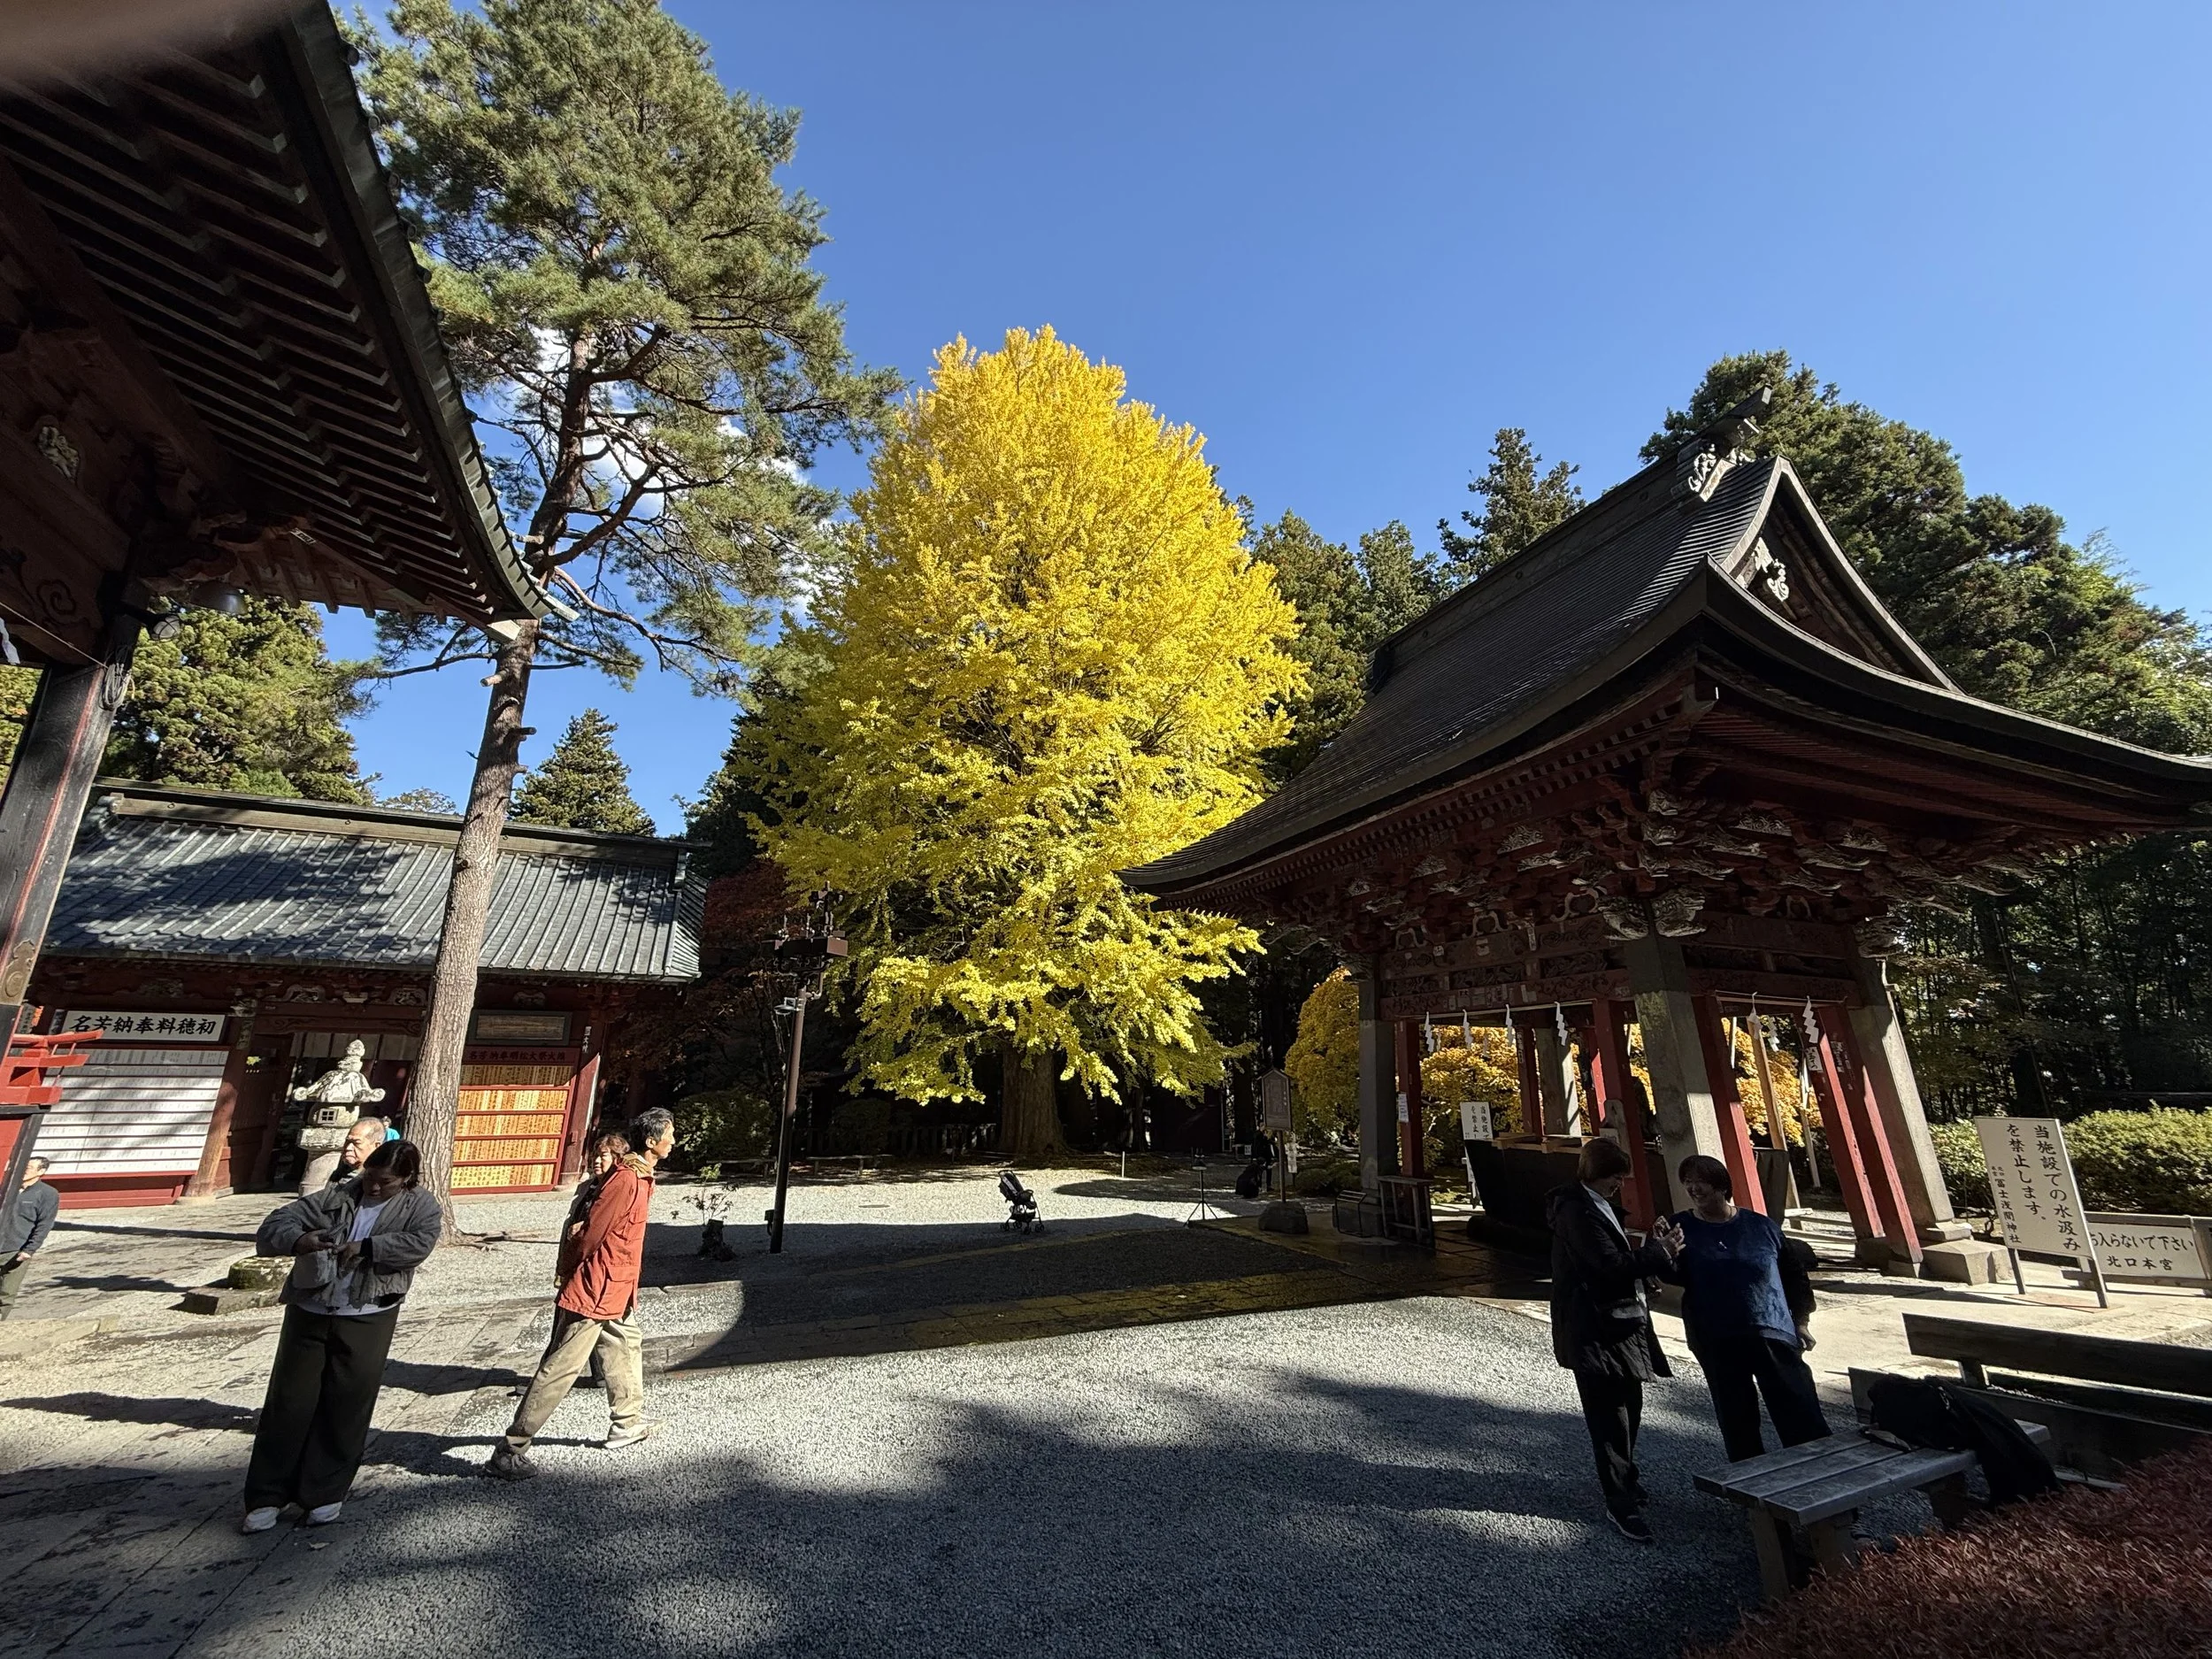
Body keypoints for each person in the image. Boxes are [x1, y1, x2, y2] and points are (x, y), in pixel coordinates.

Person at [242, 1140, 441, 1532]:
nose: (375, 1187)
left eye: (386, 1182)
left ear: (406, 1179)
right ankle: (266, 1495)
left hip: (368, 1310)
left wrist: (368, 1247)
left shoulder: (422, 1206)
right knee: (288, 1403)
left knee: (347, 1406)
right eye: (371, 1177)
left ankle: (325, 1493)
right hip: (311, 1306)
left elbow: (419, 1243)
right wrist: (301, 1241)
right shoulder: (338, 1194)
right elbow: (277, 1222)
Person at [488, 1109, 674, 1480]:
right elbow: (591, 1233)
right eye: (670, 1134)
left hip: (617, 1286)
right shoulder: (626, 1179)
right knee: (562, 1367)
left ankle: (627, 1421)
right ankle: (511, 1447)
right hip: (597, 1286)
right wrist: (571, 1272)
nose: (674, 1140)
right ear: (652, 1142)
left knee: (625, 1344)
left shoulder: (640, 1176)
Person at [1655, 1154, 1830, 1463]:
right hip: (1716, 1335)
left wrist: (1801, 1321)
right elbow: (1671, 1276)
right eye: (1688, 1182)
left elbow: (1794, 1276)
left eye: (1701, 1181)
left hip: (1771, 1330)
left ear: (1722, 1185)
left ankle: (1824, 1481)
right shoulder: (1678, 1226)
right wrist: (1660, 1251)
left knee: (1800, 1411)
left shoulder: (1760, 1227)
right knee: (1738, 1420)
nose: (1694, 1188)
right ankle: (1755, 1496)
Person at [1548, 1137, 1679, 1543]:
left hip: (1618, 1324)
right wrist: (1659, 1253)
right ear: (1595, 1175)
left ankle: (1627, 1481)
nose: (1618, 1184)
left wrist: (1645, 1271)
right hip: (1595, 1330)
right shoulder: (1578, 1212)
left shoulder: (1593, 1207)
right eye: (1613, 1177)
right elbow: (1607, 1265)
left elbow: (1614, 1263)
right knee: (1611, 1415)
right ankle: (1619, 1499)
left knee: (1628, 1407)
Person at [1, 1155, 60, 1320]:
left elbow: (44, 1224)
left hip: (16, 1249)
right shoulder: (6, 1188)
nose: (23, 1171)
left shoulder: (47, 1194)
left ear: (41, 1171)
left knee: (6, 1291)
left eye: (28, 1168)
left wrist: (30, 1249)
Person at [324, 1118, 387, 1185]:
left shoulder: (377, 1181)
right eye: (347, 1141)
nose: (348, 1148)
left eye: (356, 1143)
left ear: (376, 1146)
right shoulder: (339, 1172)